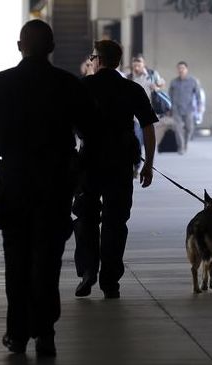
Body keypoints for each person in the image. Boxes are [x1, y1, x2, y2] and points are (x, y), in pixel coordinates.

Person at [0, 20, 95, 356]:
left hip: (15, 181)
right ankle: (45, 333)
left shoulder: (0, 84)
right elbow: (92, 132)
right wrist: (78, 169)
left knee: (16, 259)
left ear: (20, 46)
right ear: (51, 48)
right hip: (55, 182)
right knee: (47, 260)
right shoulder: (67, 85)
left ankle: (17, 334)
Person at [73, 40, 158, 299]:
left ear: (98, 60)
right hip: (121, 162)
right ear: (118, 61)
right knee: (116, 221)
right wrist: (149, 164)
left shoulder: (84, 86)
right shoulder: (130, 88)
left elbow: (67, 123)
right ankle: (110, 281)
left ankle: (88, 271)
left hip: (89, 161)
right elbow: (147, 127)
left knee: (86, 217)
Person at [168, 61, 201, 153]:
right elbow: (169, 96)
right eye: (179, 68)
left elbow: (198, 94)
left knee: (189, 128)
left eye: (183, 68)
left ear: (186, 69)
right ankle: (181, 147)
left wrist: (199, 105)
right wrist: (169, 108)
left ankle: (186, 143)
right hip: (176, 108)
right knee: (178, 128)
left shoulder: (193, 81)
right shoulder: (173, 82)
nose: (181, 70)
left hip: (189, 108)